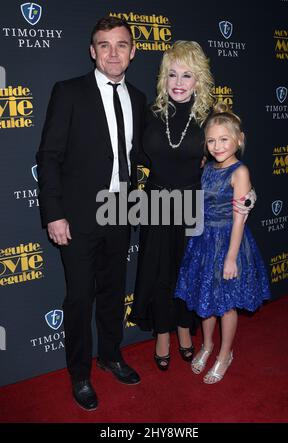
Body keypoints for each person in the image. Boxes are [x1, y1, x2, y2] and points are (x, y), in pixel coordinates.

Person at [37, 16, 146, 410]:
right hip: (79, 216)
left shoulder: (137, 98)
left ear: (133, 52)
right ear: (92, 51)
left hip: (121, 209)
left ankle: (111, 355)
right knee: (80, 298)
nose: (113, 53)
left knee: (114, 293)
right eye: (104, 45)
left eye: (121, 45)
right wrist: (54, 213)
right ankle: (80, 374)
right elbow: (49, 157)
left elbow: (143, 154)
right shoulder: (68, 92)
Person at [129, 41, 215, 370]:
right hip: (156, 202)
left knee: (186, 271)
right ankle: (163, 332)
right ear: (164, 78)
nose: (178, 83)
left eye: (187, 75)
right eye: (172, 75)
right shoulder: (150, 115)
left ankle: (184, 328)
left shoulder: (209, 118)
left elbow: (224, 161)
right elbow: (131, 153)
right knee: (159, 272)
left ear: (199, 80)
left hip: (192, 202)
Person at [175, 103, 271, 383]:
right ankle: (207, 345)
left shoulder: (240, 172)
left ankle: (224, 354)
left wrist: (231, 257)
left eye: (224, 139)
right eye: (211, 140)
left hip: (230, 242)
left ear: (239, 140)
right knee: (205, 300)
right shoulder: (208, 167)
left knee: (227, 303)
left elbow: (240, 220)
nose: (217, 146)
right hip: (204, 241)